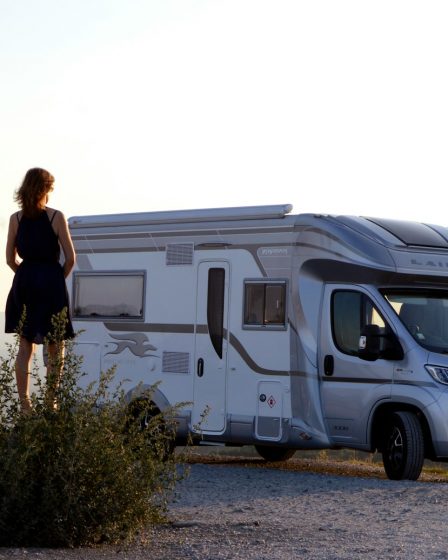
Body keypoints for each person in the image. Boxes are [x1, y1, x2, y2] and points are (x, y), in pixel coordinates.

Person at [5, 167, 76, 412]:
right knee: (56, 345)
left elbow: (9, 259)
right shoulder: (56, 217)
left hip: (24, 281)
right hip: (51, 281)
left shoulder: (15, 218)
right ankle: (50, 400)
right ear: (45, 189)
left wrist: (26, 276)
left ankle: (25, 404)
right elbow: (70, 259)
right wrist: (54, 279)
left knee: (26, 345)